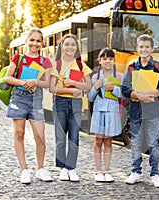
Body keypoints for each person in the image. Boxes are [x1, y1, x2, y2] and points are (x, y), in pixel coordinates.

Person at [121, 34, 159, 187]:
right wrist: (139, 96)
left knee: (153, 143)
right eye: (141, 47)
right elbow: (124, 88)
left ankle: (155, 174)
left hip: (153, 111)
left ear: (152, 49)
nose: (144, 49)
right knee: (136, 142)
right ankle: (136, 171)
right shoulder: (131, 67)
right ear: (137, 49)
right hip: (136, 111)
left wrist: (152, 93)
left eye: (147, 47)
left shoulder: (157, 67)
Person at [5, 28, 53, 184]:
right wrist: (23, 83)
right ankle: (24, 170)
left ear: (42, 44)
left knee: (40, 135)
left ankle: (40, 169)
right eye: (32, 40)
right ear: (26, 41)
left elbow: (48, 83)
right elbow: (8, 78)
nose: (35, 43)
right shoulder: (18, 58)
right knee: (19, 133)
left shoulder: (45, 62)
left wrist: (36, 82)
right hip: (18, 99)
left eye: (38, 41)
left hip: (36, 100)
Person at [49, 34, 92, 182]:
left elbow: (88, 85)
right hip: (60, 102)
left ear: (77, 47)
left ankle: (71, 168)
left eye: (73, 44)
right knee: (60, 138)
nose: (70, 47)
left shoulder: (81, 65)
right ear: (62, 46)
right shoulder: (57, 65)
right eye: (67, 44)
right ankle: (62, 169)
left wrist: (75, 84)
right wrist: (70, 91)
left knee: (74, 137)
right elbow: (52, 88)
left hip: (76, 104)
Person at [87, 48, 125, 182]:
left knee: (108, 141)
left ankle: (107, 171)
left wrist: (114, 89)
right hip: (98, 112)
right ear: (100, 61)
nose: (107, 61)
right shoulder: (95, 77)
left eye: (110, 59)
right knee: (98, 140)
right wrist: (95, 87)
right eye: (104, 59)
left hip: (112, 113)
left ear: (114, 61)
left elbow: (123, 95)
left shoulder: (119, 76)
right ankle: (98, 171)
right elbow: (90, 98)